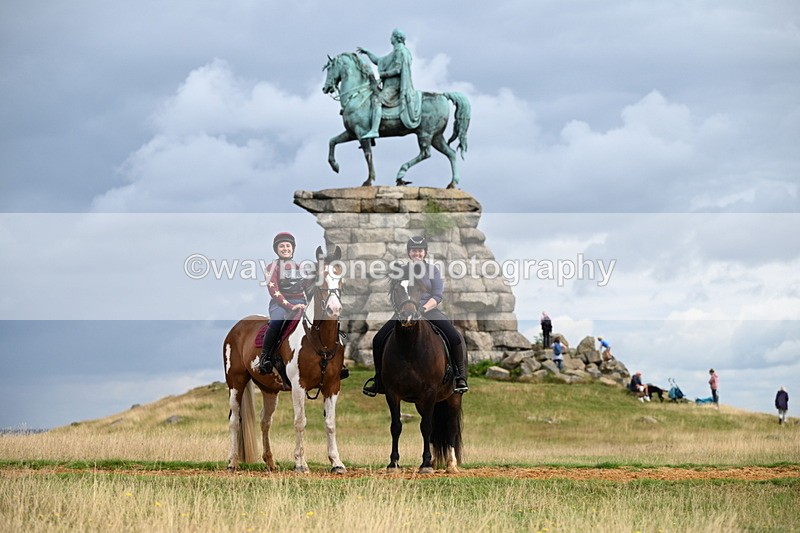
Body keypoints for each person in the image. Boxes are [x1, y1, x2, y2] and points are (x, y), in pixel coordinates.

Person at [363, 235, 468, 396]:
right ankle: (379, 380)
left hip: (429, 310)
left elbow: (438, 295)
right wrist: (403, 308)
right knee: (378, 339)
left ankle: (459, 377)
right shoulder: (402, 271)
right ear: (408, 253)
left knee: (454, 337)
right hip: (405, 312)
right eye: (413, 251)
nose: (417, 254)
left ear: (425, 253)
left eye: (420, 251)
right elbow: (395, 293)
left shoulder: (432, 270)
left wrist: (423, 309)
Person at [257, 232, 311, 378]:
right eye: (281, 246)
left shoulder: (301, 267)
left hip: (301, 303)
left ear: (293, 248)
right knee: (277, 321)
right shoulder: (272, 267)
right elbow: (273, 289)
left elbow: (308, 288)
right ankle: (265, 357)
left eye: (288, 245)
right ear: (276, 249)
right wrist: (290, 306)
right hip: (279, 304)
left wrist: (309, 305)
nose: (285, 248)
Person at [357, 28, 422, 138]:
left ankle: (374, 130)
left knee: (377, 101)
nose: (390, 38)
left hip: (394, 87)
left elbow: (397, 70)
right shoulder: (396, 51)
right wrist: (367, 52)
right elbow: (378, 61)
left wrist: (384, 74)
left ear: (396, 38)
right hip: (390, 86)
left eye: (391, 36)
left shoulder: (400, 52)